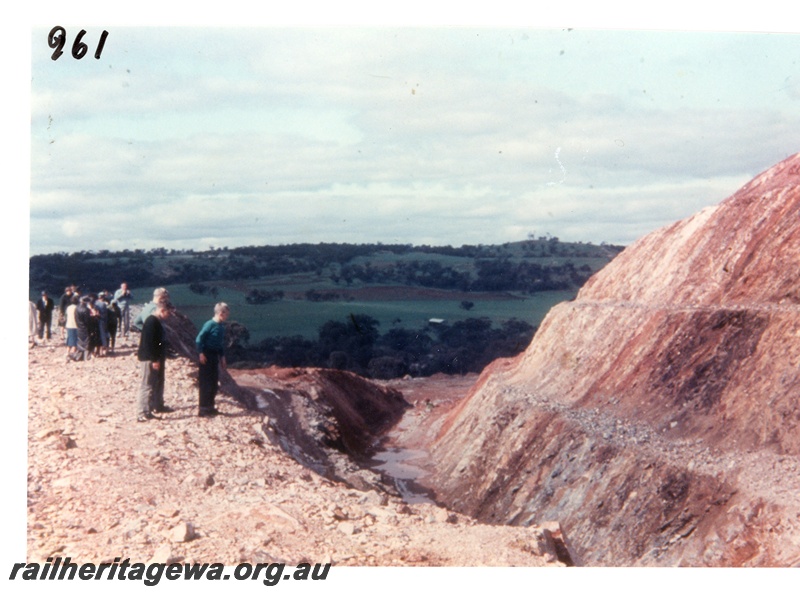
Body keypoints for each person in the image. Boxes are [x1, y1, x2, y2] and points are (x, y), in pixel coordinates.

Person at [136, 301, 175, 422]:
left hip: (154, 357)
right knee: (147, 385)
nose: (169, 316)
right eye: (168, 313)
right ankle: (142, 412)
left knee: (154, 383)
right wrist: (154, 359)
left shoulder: (156, 321)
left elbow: (157, 342)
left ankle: (153, 407)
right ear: (162, 310)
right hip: (149, 358)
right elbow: (150, 343)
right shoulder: (152, 322)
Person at [195, 302, 229, 417]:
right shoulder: (209, 324)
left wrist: (222, 357)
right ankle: (203, 409)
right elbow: (199, 339)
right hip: (206, 355)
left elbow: (219, 344)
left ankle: (211, 406)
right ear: (221, 313)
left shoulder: (221, 327)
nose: (227, 317)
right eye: (226, 314)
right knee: (205, 382)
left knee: (214, 382)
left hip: (214, 356)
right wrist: (201, 353)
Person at [64, 294, 79, 360]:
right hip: (75, 325)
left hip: (69, 324)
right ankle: (72, 353)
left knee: (69, 339)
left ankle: (67, 352)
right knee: (75, 341)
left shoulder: (68, 307)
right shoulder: (77, 308)